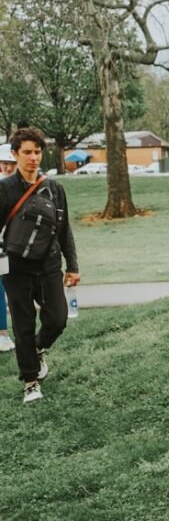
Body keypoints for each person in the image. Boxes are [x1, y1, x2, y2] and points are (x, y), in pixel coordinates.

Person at [0, 128, 79, 403]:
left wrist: (73, 266)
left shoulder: (54, 188)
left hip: (48, 265)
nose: (33, 158)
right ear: (15, 154)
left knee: (57, 319)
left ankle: (39, 347)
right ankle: (31, 382)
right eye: (26, 152)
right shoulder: (5, 189)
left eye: (37, 152)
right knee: (22, 325)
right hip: (15, 268)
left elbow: (64, 229)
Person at [0, 144, 17, 353]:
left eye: (11, 164)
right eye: (5, 164)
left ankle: (4, 332)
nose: (9, 168)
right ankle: (2, 332)